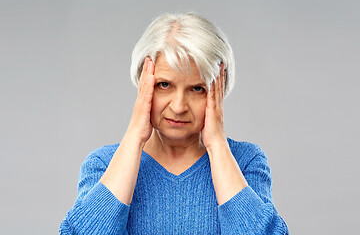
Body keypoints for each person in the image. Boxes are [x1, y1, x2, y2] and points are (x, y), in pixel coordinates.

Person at [59, 12, 289, 234]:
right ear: (143, 84)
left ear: (219, 90)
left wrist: (217, 145)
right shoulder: (103, 164)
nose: (179, 106)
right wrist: (134, 137)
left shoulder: (245, 161)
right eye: (164, 85)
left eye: (197, 89)